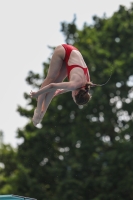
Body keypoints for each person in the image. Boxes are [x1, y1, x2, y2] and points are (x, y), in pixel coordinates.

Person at [30, 44, 97, 126]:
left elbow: (70, 87)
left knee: (58, 82)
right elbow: (52, 86)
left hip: (73, 54)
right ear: (75, 93)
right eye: (73, 97)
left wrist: (60, 92)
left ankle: (42, 113)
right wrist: (37, 93)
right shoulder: (74, 85)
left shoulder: (86, 87)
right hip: (64, 50)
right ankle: (38, 109)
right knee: (51, 78)